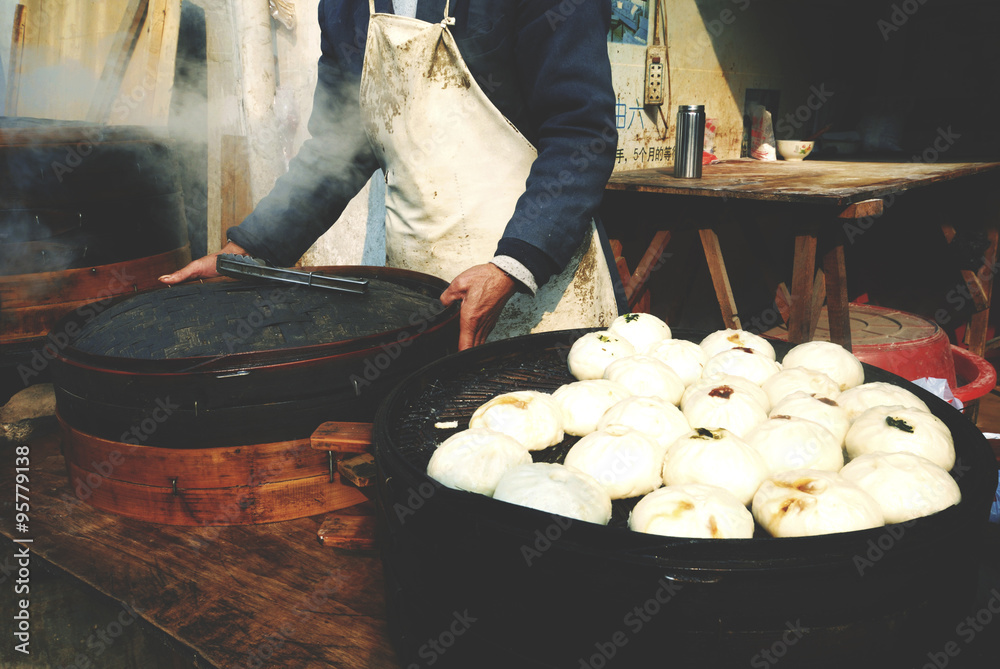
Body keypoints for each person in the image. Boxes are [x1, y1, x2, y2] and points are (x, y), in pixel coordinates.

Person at [160, 0, 625, 349]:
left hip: (541, 289)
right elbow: (337, 149)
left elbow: (581, 133)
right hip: (425, 299)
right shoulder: (346, 10)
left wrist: (514, 265)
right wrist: (249, 250)